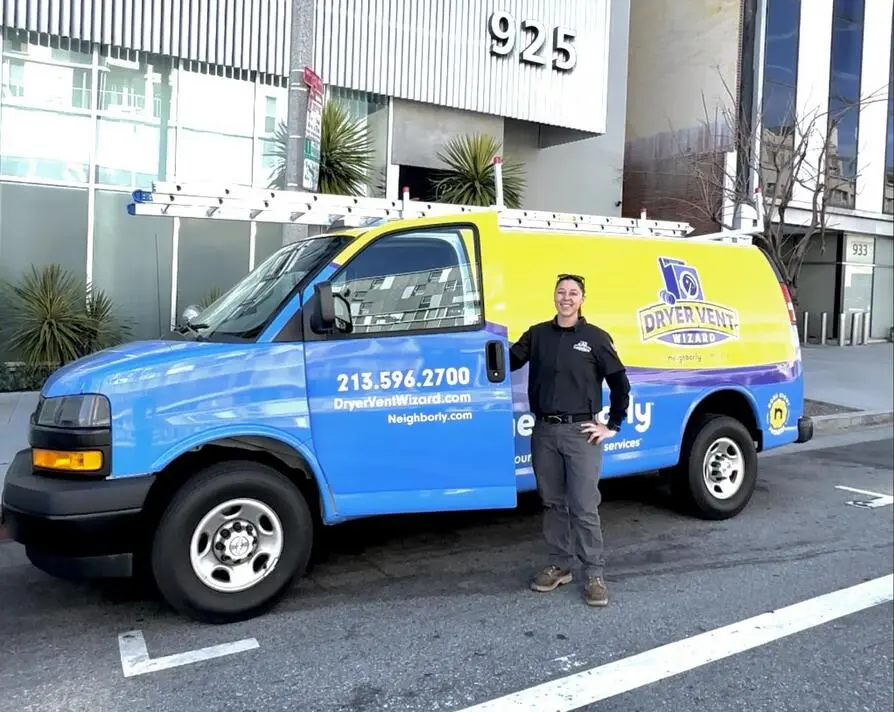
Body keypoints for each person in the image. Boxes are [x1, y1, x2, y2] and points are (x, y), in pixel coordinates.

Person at [509, 273, 630, 607]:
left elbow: (620, 384)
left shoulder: (595, 338)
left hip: (581, 433)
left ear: (582, 299)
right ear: (554, 296)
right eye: (561, 292)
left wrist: (612, 425)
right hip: (544, 432)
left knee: (583, 505)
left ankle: (594, 573)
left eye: (573, 293)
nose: (566, 297)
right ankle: (560, 565)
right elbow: (507, 360)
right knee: (552, 502)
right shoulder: (537, 335)